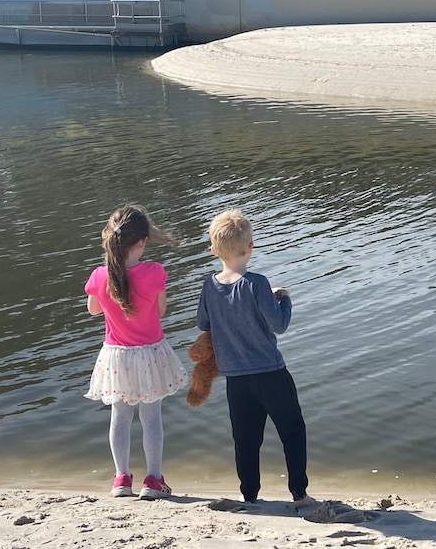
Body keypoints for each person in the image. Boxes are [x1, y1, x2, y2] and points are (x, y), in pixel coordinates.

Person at [196, 210, 315, 508]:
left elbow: (203, 323)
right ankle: (299, 494)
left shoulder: (209, 286)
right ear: (250, 247)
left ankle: (249, 494)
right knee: (292, 430)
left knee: (246, 440)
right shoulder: (258, 283)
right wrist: (284, 298)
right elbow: (279, 325)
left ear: (213, 251)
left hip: (236, 379)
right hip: (270, 374)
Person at [84, 204, 189, 500]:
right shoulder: (154, 271)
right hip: (150, 354)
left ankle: (121, 479)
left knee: (120, 415)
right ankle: (153, 480)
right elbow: (161, 309)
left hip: (116, 356)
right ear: (142, 242)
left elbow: (93, 310)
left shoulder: (100, 275)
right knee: (151, 416)